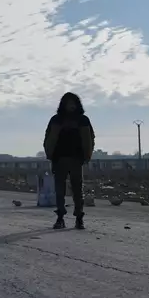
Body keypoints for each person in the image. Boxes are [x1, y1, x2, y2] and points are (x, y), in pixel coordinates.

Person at [43, 92, 95, 230]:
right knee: (59, 190)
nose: (71, 106)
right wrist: (49, 153)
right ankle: (60, 218)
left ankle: (79, 218)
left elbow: (91, 138)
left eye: (73, 103)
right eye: (68, 103)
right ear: (63, 105)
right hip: (59, 159)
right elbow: (47, 137)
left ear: (77, 105)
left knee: (77, 190)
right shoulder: (56, 120)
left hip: (76, 159)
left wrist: (87, 155)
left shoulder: (83, 120)